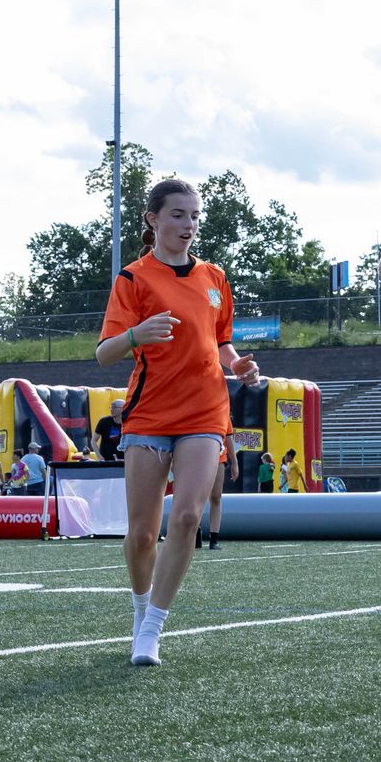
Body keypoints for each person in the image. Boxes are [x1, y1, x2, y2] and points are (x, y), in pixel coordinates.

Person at [98, 177, 265, 667]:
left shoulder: (214, 277)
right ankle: (139, 606)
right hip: (149, 413)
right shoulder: (132, 278)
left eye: (194, 215)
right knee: (142, 534)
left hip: (205, 413)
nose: (188, 224)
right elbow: (105, 353)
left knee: (188, 516)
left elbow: (221, 343)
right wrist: (137, 334)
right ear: (153, 219)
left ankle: (153, 627)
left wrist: (238, 366)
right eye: (178, 214)